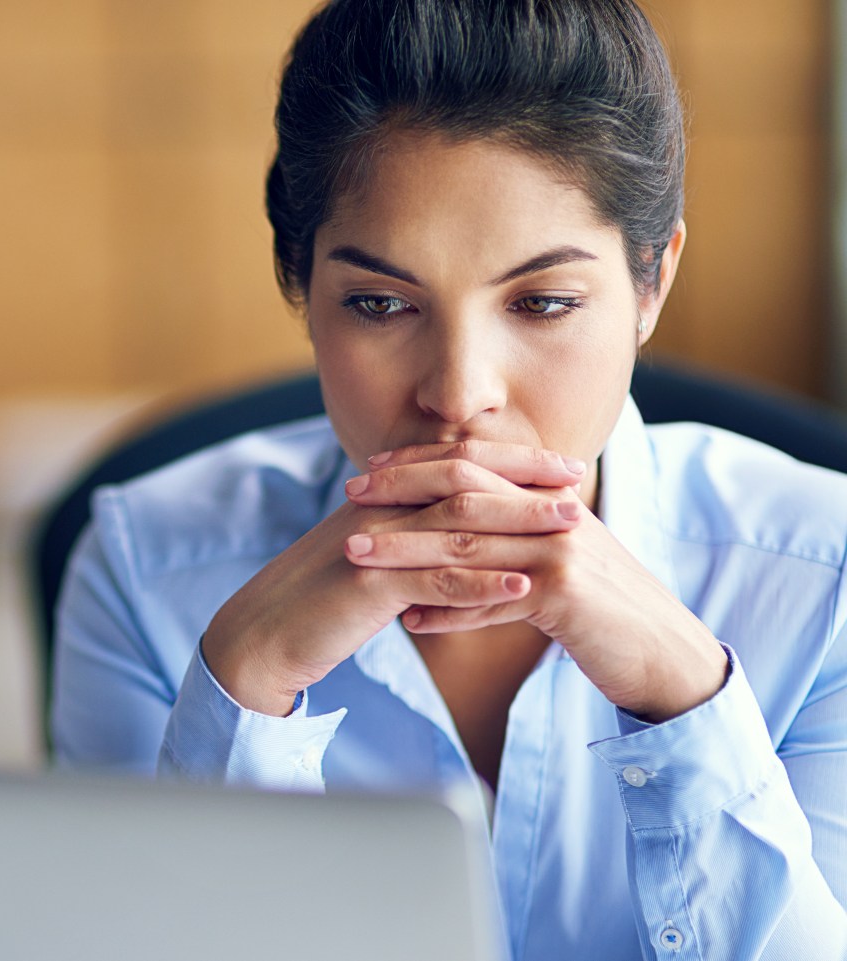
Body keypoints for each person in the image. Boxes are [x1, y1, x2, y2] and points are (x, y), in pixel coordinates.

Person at [50, 0, 847, 958]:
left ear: (651, 283)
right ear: (301, 287)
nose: (460, 395)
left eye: (544, 302)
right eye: (380, 303)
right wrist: (242, 688)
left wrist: (686, 699)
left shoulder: (825, 578)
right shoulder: (144, 566)